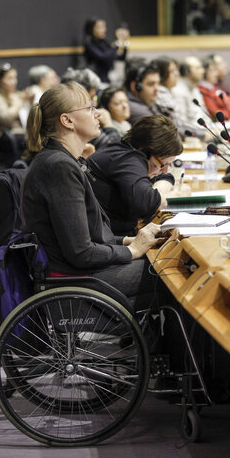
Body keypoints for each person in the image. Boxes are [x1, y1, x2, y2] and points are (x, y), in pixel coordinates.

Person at [20, 81, 162, 310]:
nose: (98, 113)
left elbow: (87, 235)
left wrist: (129, 240)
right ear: (67, 120)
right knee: (169, 275)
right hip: (75, 276)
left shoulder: (63, 161)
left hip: (79, 269)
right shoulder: (59, 167)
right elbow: (81, 252)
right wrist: (132, 250)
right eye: (89, 108)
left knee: (166, 265)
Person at [87, 115, 189, 236]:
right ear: (144, 151)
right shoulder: (128, 160)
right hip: (111, 243)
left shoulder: (124, 151)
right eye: (163, 164)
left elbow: (164, 177)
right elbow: (145, 204)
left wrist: (158, 194)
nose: (165, 170)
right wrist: (177, 196)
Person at [61, 67, 121, 151]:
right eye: (91, 98)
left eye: (95, 97)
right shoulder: (79, 122)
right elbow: (116, 152)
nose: (95, 103)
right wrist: (108, 124)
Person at [0, 62, 32, 163]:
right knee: (32, 141)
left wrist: (31, 102)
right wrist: (21, 101)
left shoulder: (17, 94)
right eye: (10, 78)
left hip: (20, 132)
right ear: (0, 81)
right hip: (4, 135)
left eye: (15, 78)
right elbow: (6, 119)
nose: (14, 82)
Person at [152, 56, 205, 139]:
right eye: (173, 71)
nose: (177, 74)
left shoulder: (168, 92)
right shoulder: (161, 94)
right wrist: (203, 134)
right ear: (161, 75)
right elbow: (177, 127)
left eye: (176, 70)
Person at [83, 17, 130, 83]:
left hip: (107, 78)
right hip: (96, 79)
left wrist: (124, 42)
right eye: (100, 27)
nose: (104, 30)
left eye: (104, 27)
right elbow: (103, 57)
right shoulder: (89, 43)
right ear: (92, 29)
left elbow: (121, 58)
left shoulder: (104, 42)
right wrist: (118, 43)